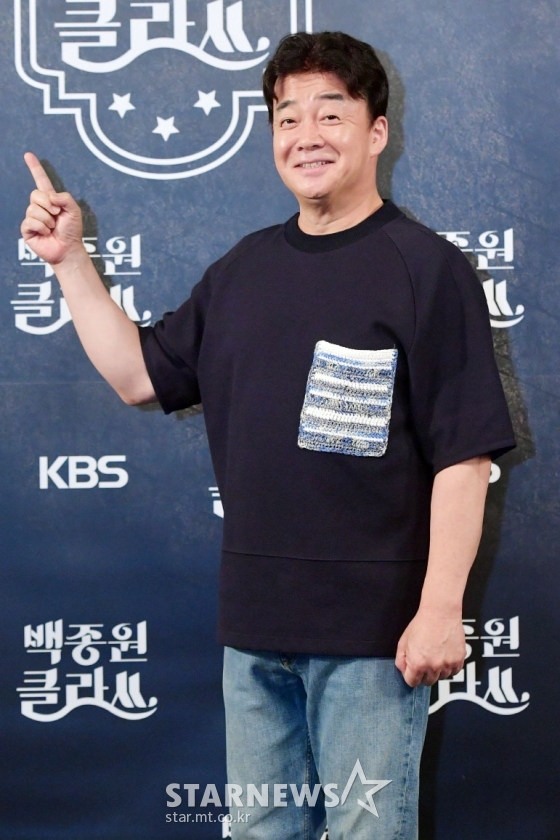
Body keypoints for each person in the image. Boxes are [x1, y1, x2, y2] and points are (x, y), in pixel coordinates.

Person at [21, 30, 515, 840]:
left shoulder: (427, 269)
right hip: (254, 633)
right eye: (287, 118)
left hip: (373, 640)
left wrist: (439, 608)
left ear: (377, 132)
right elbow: (138, 374)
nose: (306, 136)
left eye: (331, 114)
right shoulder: (244, 270)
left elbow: (463, 456)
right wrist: (70, 261)